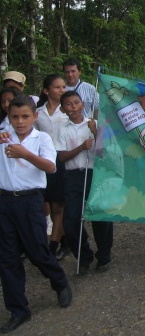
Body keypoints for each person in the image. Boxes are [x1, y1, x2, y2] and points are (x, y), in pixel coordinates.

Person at [0, 95, 72, 333]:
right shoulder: (3, 136)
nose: (20, 122)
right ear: (8, 117)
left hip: (31, 200)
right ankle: (18, 309)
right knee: (7, 258)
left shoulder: (41, 138)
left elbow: (50, 167)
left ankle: (60, 282)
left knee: (37, 251)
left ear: (35, 116)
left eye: (25, 117)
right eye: (15, 117)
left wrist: (25, 154)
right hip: (5, 201)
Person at [58, 90, 114, 273]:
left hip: (95, 173)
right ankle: (84, 256)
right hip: (73, 176)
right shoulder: (62, 130)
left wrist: (96, 133)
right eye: (68, 104)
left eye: (76, 103)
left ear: (82, 104)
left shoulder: (93, 124)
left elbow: (106, 151)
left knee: (100, 215)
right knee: (71, 221)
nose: (73, 107)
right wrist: (82, 147)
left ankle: (104, 256)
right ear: (63, 108)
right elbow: (63, 157)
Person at [35, 74, 69, 259]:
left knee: (59, 205)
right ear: (47, 91)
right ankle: (64, 240)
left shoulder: (68, 111)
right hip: (46, 161)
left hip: (63, 159)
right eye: (58, 87)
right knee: (47, 202)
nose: (62, 90)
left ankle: (53, 245)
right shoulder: (38, 113)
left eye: (64, 87)